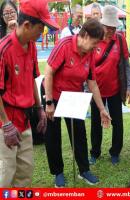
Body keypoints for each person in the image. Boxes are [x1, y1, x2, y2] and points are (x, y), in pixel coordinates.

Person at [44, 18, 111, 187]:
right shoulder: (65, 45)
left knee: (79, 134)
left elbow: (92, 83)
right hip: (54, 94)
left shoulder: (89, 54)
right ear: (86, 35)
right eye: (95, 43)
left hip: (74, 97)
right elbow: (49, 72)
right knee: (53, 135)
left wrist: (102, 109)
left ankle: (84, 170)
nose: (96, 47)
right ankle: (58, 172)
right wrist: (49, 102)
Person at [0, 0, 58, 187]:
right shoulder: (4, 50)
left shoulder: (31, 45)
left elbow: (32, 78)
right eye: (41, 28)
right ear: (27, 25)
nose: (42, 33)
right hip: (5, 123)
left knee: (25, 174)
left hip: (25, 121)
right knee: (5, 175)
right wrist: (6, 125)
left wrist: (39, 108)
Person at [89, 5, 130, 165]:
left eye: (113, 27)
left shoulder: (120, 40)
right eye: (108, 27)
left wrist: (129, 87)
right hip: (96, 91)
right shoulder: (93, 38)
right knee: (95, 123)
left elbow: (126, 66)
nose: (111, 30)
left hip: (115, 89)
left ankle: (115, 152)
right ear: (102, 25)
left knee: (117, 122)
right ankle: (95, 152)